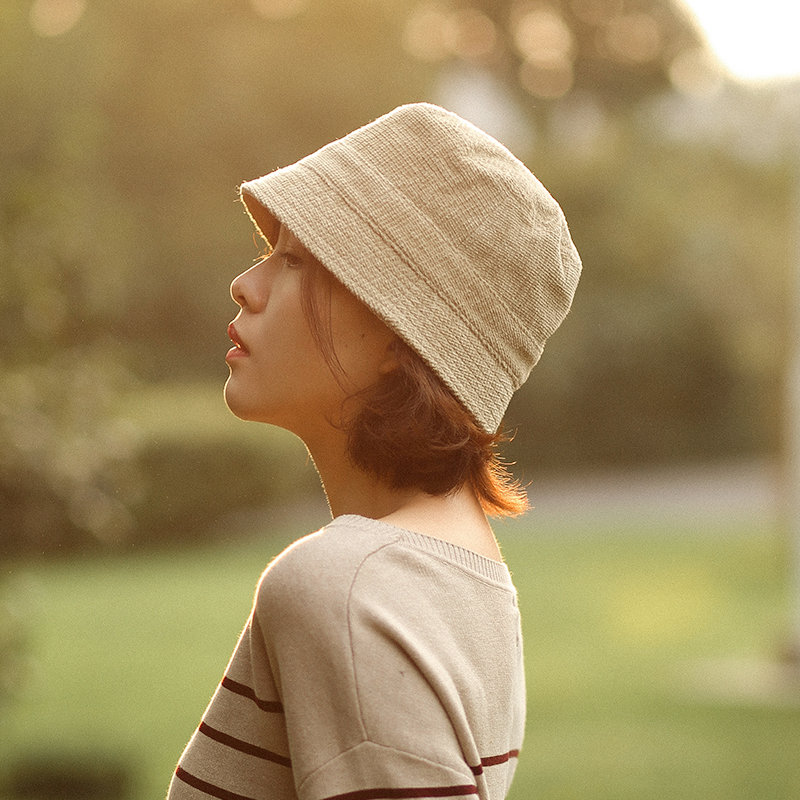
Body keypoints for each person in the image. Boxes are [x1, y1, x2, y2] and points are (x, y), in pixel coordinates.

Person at [167, 102, 581, 800]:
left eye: (296, 260)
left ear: (401, 338)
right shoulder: (465, 572)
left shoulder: (350, 587)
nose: (246, 285)